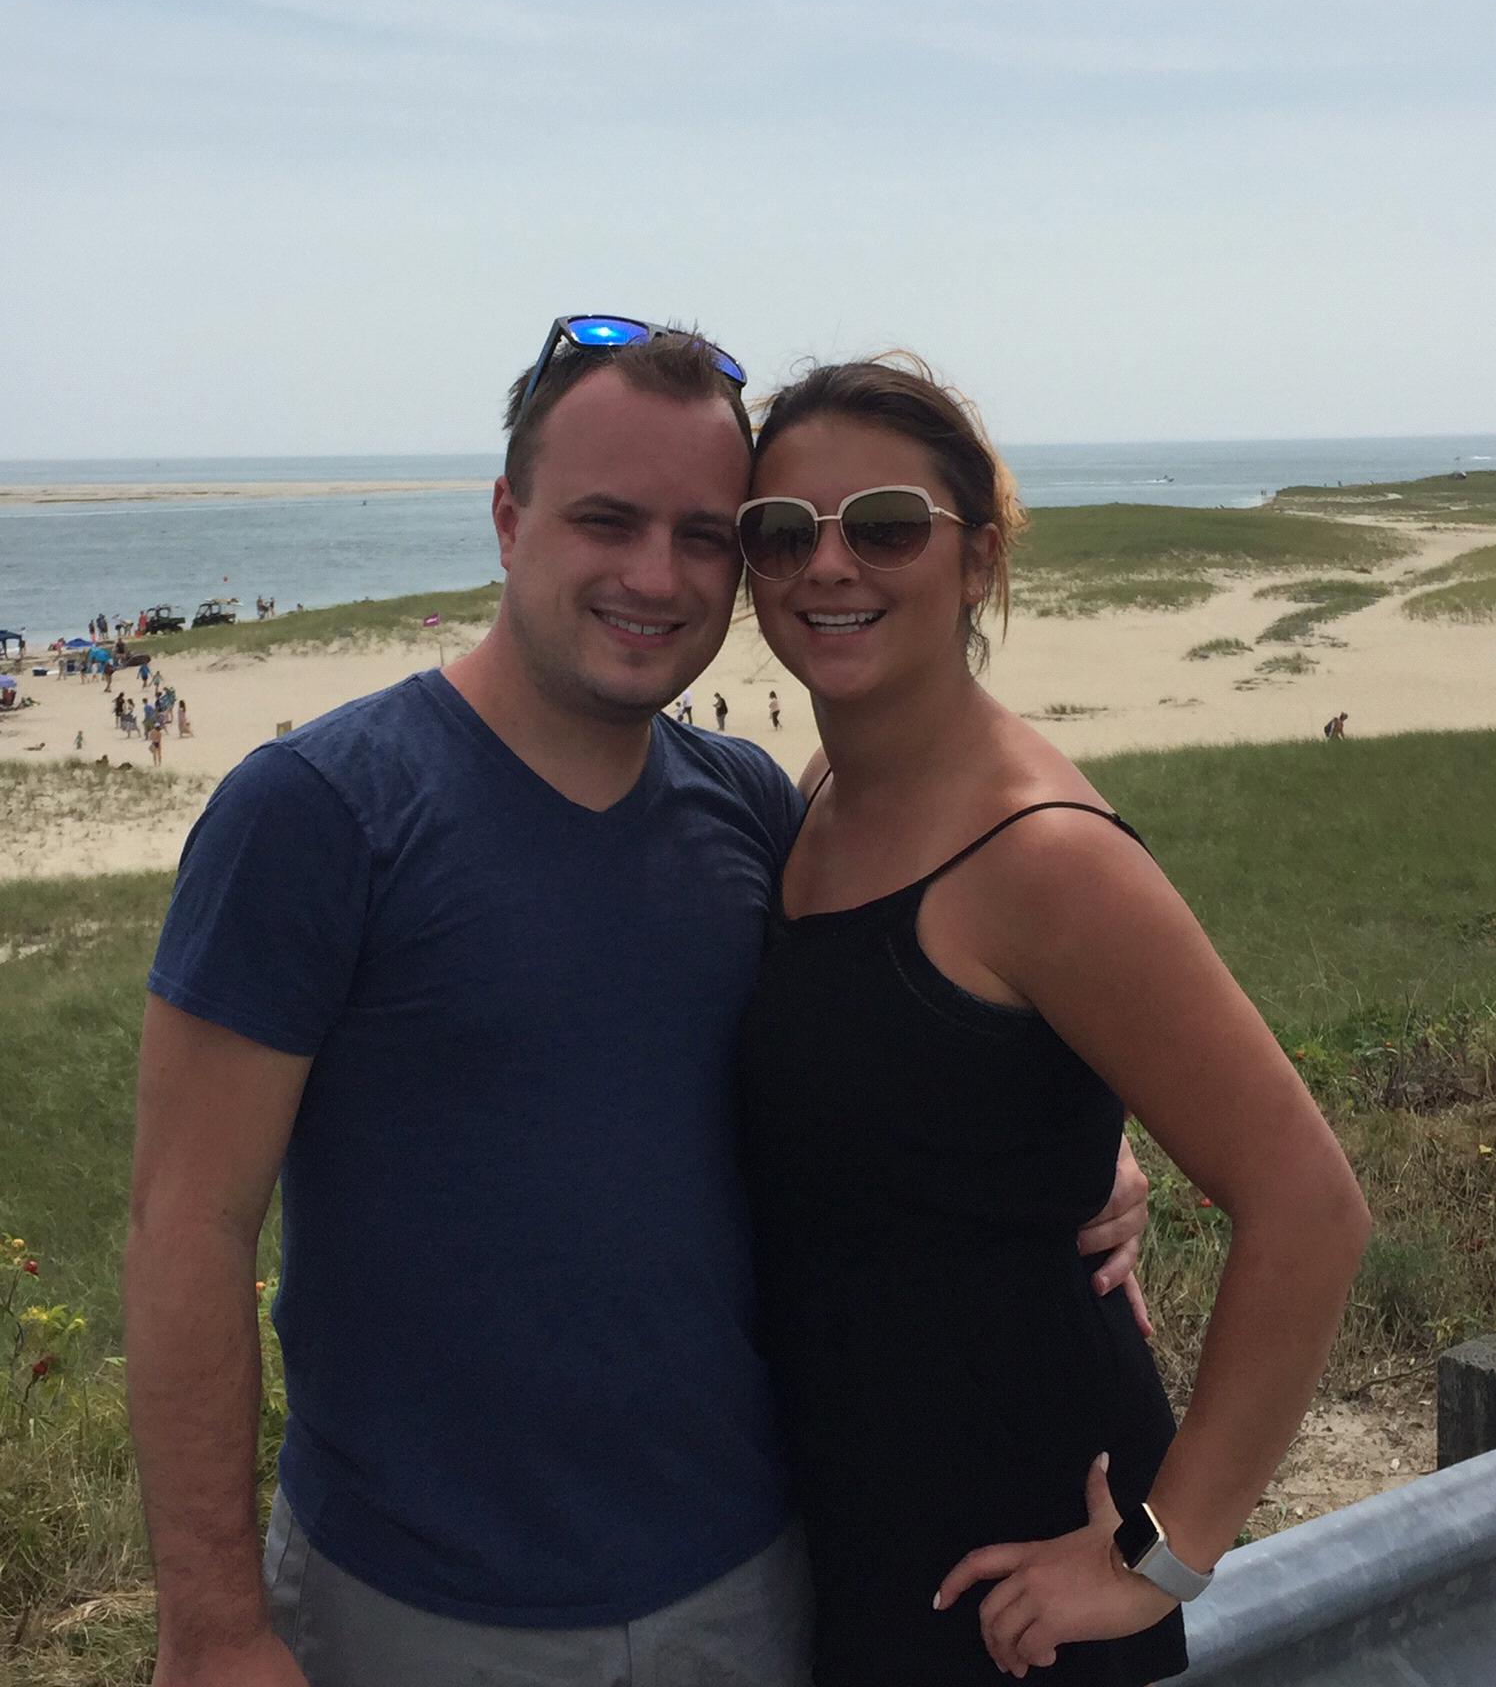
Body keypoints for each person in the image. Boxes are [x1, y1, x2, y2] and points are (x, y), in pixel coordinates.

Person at [126, 324, 1150, 1687]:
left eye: (705, 534)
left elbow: (887, 1052)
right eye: (605, 521)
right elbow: (184, 1225)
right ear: (508, 519)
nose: (655, 578)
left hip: (751, 1581)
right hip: (417, 1609)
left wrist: (1077, 1145)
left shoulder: (748, 803)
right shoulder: (317, 816)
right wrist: (214, 1629)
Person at [735, 356, 1370, 1686]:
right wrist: (1088, 1152)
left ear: (979, 559)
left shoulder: (1043, 855)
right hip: (856, 1511)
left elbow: (1309, 1205)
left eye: (888, 526)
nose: (827, 566)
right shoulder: (822, 797)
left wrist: (1161, 1554)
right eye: (782, 533)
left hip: (1017, 1553)